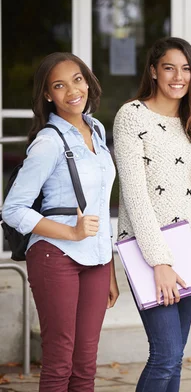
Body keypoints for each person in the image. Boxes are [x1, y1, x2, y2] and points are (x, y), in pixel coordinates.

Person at [2, 52, 118, 391]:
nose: (72, 91)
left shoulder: (96, 130)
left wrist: (108, 267)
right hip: (55, 256)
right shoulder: (48, 141)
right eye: (59, 85)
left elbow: (98, 203)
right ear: (47, 95)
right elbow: (13, 209)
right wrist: (71, 231)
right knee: (59, 362)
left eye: (77, 79)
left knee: (85, 364)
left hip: (96, 260)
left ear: (88, 81)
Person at [112, 37, 191, 392]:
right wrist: (159, 261)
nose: (178, 76)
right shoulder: (132, 116)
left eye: (186, 68)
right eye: (169, 67)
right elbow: (134, 194)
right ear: (154, 71)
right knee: (166, 353)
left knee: (175, 357)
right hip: (150, 249)